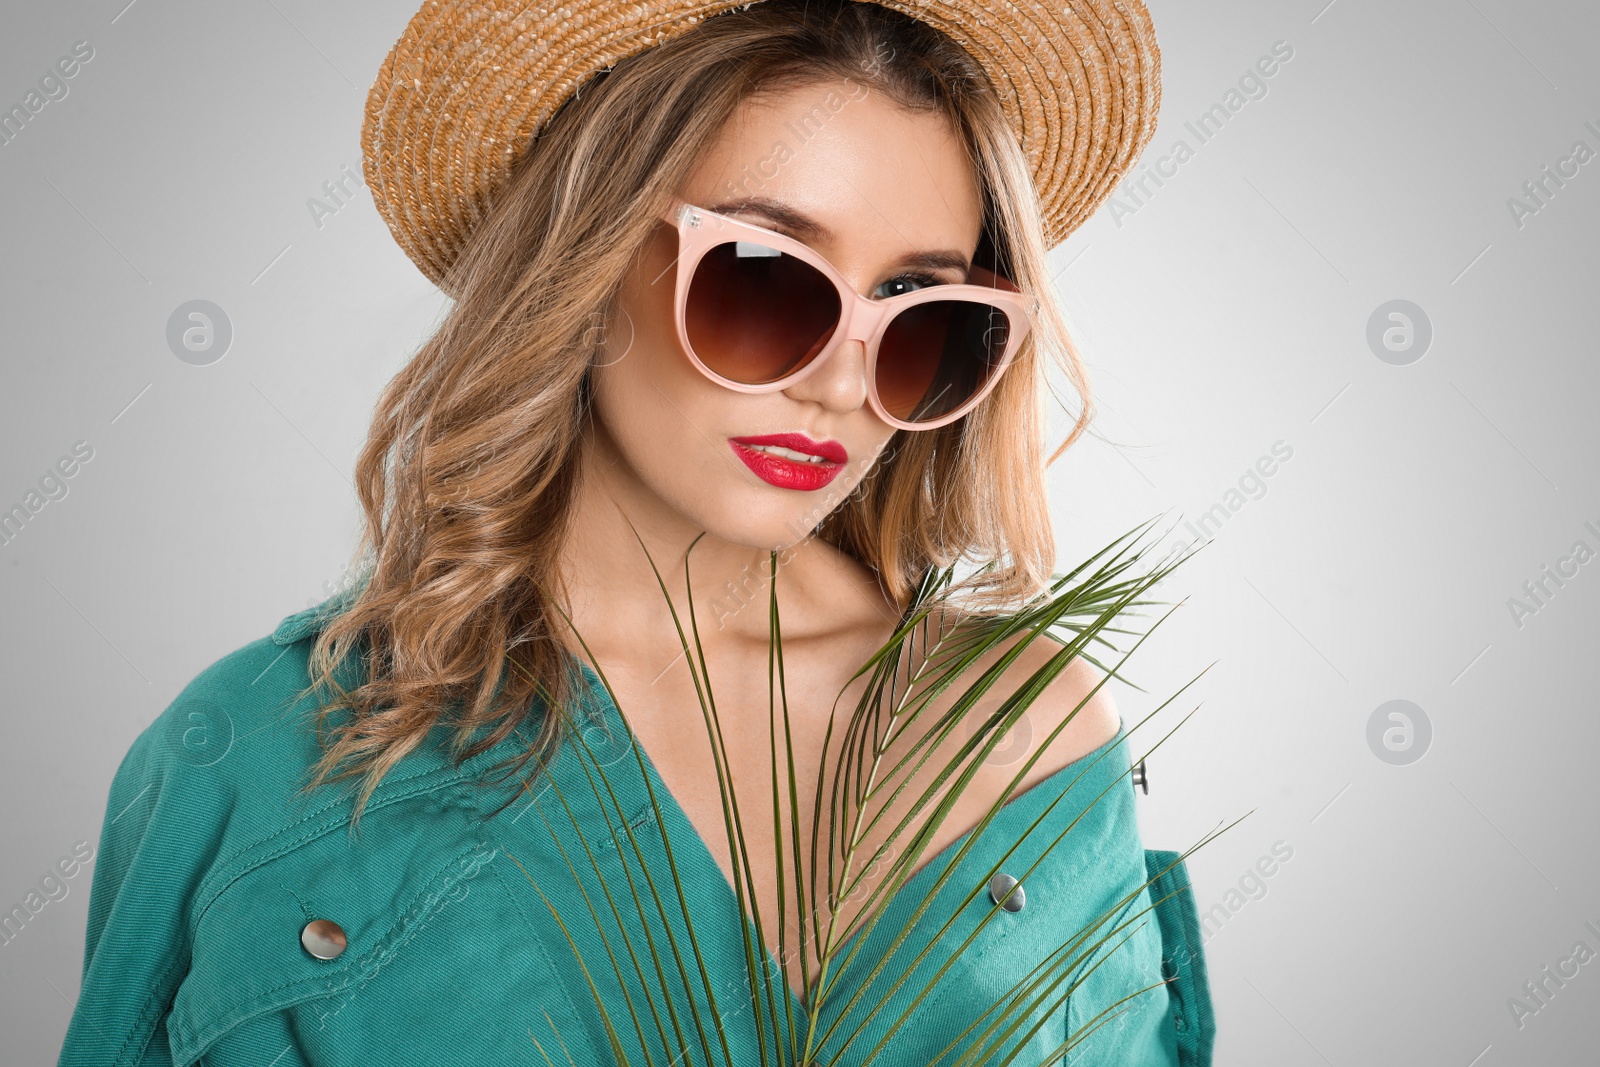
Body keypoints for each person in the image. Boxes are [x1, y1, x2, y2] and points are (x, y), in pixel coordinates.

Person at [58, 0, 1214, 1064]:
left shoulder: (1029, 731)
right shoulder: (254, 760)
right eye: (764, 279)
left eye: (924, 316)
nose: (838, 380)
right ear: (587, 262)